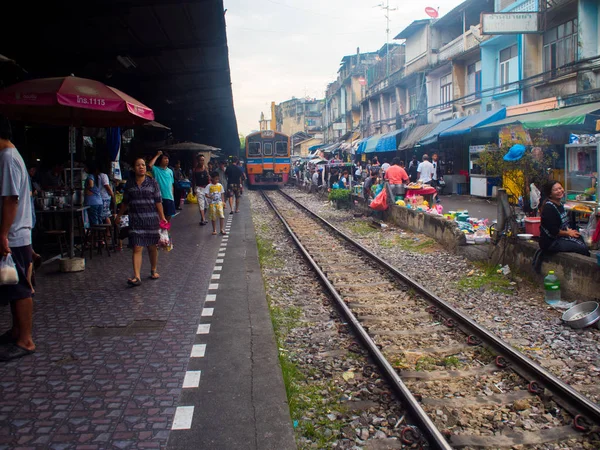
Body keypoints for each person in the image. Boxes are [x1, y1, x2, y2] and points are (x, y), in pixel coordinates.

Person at [0, 115, 36, 361]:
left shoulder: (7, 158)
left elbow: (11, 199)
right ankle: (16, 331)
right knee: (13, 285)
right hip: (17, 233)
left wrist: (3, 233)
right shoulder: (11, 156)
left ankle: (26, 340)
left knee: (21, 287)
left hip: (14, 235)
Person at [116, 157, 166, 286]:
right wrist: (119, 215)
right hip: (136, 220)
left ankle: (153, 269)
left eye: (143, 165)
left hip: (151, 220)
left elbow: (158, 201)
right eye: (138, 165)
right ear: (134, 168)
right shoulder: (130, 184)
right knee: (137, 247)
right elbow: (125, 202)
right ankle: (137, 276)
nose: (141, 167)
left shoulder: (152, 182)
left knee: (152, 247)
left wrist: (162, 217)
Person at [532, 180, 590, 272]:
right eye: (555, 190)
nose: (559, 191)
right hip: (551, 242)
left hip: (559, 237)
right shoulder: (549, 208)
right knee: (581, 248)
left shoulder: (560, 205)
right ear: (550, 194)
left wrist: (570, 231)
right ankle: (584, 271)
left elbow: (563, 224)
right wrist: (568, 233)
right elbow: (553, 231)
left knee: (580, 239)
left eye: (560, 188)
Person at [148, 151, 175, 222]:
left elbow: (171, 184)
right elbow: (150, 165)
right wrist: (157, 155)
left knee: (168, 216)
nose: (167, 160)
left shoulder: (170, 171)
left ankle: (165, 231)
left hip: (169, 197)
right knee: (159, 216)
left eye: (167, 159)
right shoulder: (156, 169)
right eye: (165, 158)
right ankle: (159, 231)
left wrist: (172, 196)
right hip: (159, 197)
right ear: (160, 160)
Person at [84, 162, 104, 226]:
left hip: (92, 202)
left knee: (94, 222)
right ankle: (100, 235)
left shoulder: (90, 176)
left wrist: (86, 189)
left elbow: (91, 185)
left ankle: (95, 235)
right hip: (99, 201)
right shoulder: (98, 177)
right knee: (99, 220)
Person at [192, 154, 210, 225]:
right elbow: (193, 180)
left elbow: (208, 178)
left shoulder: (205, 168)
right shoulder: (195, 170)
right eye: (200, 160)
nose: (202, 162)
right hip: (199, 188)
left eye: (203, 160)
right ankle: (203, 219)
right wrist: (193, 190)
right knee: (201, 204)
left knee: (206, 205)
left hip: (206, 188)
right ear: (197, 161)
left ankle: (202, 217)